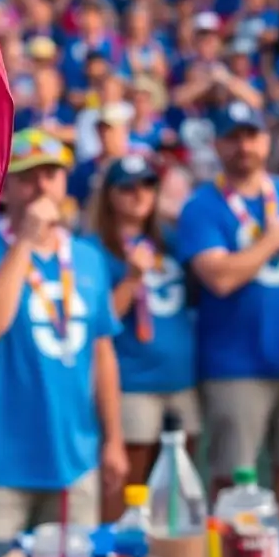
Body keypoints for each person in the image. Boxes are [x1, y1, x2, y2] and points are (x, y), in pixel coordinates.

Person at [0, 129, 126, 539]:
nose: (42, 186)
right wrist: (25, 243)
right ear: (5, 187)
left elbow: (102, 353)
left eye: (52, 173)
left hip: (73, 461)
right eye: (28, 176)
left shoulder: (87, 257)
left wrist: (114, 439)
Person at [176, 102, 279, 515]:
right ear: (217, 146)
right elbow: (220, 277)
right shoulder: (202, 206)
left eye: (251, 135)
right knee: (231, 478)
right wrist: (275, 241)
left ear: (266, 140)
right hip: (235, 365)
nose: (243, 146)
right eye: (232, 137)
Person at [88, 154, 199, 515]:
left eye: (149, 184)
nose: (140, 194)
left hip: (181, 382)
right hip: (131, 382)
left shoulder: (173, 239)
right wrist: (132, 278)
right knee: (127, 494)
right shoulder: (92, 249)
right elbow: (98, 320)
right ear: (109, 195)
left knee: (179, 496)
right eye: (128, 187)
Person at [70, 101, 132, 209]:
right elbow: (72, 201)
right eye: (101, 129)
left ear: (124, 131)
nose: (105, 134)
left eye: (110, 129)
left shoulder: (135, 166)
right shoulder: (85, 168)